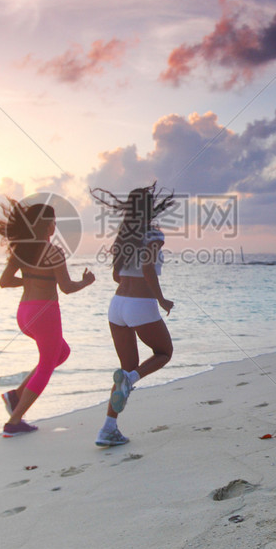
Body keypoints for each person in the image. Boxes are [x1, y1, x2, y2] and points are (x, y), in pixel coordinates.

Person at [0, 199, 95, 437]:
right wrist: (86, 282)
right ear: (46, 225)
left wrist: (29, 281)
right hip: (45, 314)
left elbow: (4, 282)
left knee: (62, 353)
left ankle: (16, 395)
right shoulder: (54, 252)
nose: (54, 227)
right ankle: (14, 422)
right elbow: (67, 287)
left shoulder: (22, 251)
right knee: (47, 366)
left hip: (25, 313)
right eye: (53, 222)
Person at [90, 184, 175, 447]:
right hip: (140, 304)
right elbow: (148, 267)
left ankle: (108, 429)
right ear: (151, 208)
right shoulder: (154, 234)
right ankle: (131, 380)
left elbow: (116, 275)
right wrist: (161, 299)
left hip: (117, 305)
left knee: (127, 366)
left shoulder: (124, 236)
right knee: (164, 352)